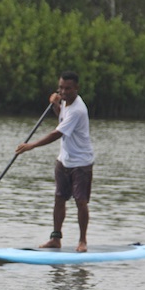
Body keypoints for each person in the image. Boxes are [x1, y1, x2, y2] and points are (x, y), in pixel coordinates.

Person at [15, 71, 94, 252]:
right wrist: (56, 106)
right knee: (59, 198)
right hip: (64, 159)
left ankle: (82, 241)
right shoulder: (65, 103)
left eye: (68, 88)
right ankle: (55, 239)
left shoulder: (78, 109)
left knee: (81, 201)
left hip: (81, 162)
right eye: (61, 88)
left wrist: (31, 145)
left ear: (76, 88)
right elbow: (62, 118)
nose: (63, 92)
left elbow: (57, 133)